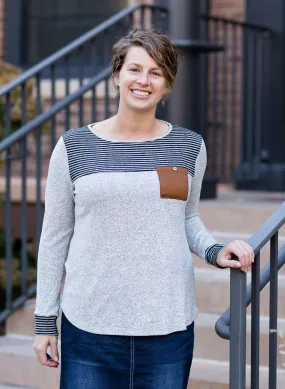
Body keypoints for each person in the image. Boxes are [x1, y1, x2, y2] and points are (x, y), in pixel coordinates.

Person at [33, 28, 254, 389]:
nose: (143, 80)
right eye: (135, 69)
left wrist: (216, 250)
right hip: (89, 328)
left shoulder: (188, 146)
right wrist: (45, 322)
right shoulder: (74, 147)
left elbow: (186, 217)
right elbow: (55, 237)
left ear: (167, 85)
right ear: (117, 75)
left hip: (167, 329)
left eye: (156, 72)